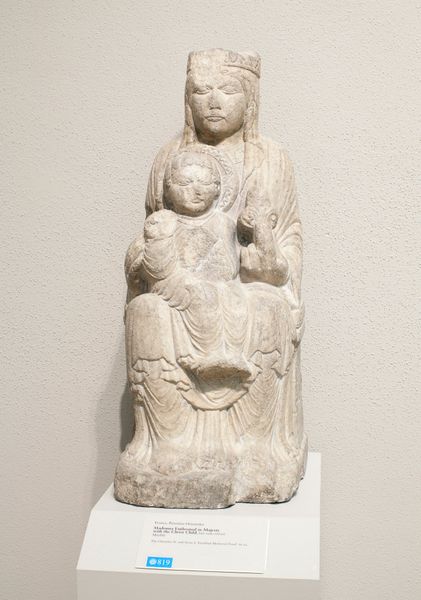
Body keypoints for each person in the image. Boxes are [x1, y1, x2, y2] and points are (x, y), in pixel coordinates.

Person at [115, 49, 307, 508]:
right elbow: (149, 238)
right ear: (187, 99)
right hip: (177, 287)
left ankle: (254, 448)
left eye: (227, 90)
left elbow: (286, 254)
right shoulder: (169, 156)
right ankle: (166, 443)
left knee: (269, 308)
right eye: (201, 91)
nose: (213, 101)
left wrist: (262, 243)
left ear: (251, 99)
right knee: (146, 311)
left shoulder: (271, 159)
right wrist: (148, 255)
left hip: (246, 289)